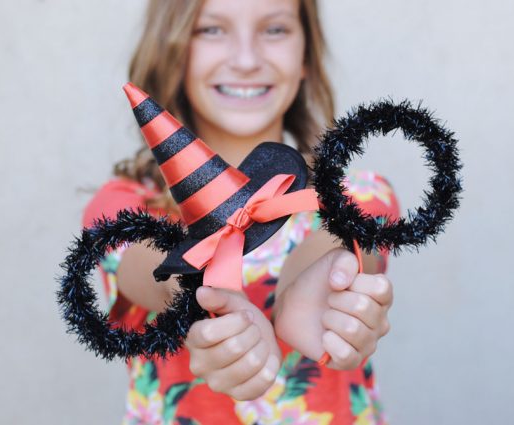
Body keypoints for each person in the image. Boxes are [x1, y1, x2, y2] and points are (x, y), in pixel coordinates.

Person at [83, 0, 401, 423]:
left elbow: (339, 243)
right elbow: (153, 270)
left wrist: (317, 284)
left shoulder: (356, 194)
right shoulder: (122, 207)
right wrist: (215, 304)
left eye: (275, 30)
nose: (247, 60)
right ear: (172, 48)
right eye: (212, 30)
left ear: (306, 54)